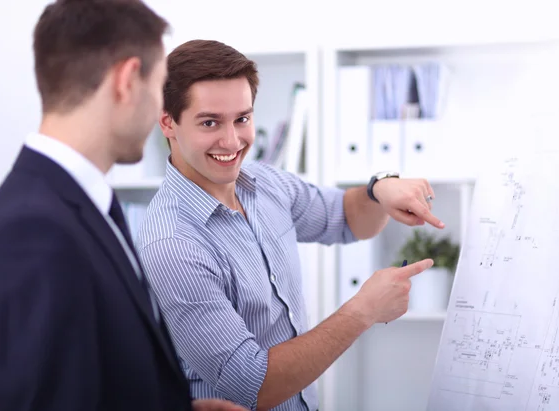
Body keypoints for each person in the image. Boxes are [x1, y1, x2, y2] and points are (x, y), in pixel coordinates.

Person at [136, 39, 440, 411]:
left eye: (242, 119)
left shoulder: (262, 182)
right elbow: (253, 386)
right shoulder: (173, 243)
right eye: (210, 122)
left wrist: (381, 188)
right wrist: (363, 311)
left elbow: (346, 218)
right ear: (167, 120)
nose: (231, 141)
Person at [0, 2, 246, 411]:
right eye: (158, 87)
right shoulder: (33, 229)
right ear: (126, 81)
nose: (162, 111)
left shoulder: (80, 204)